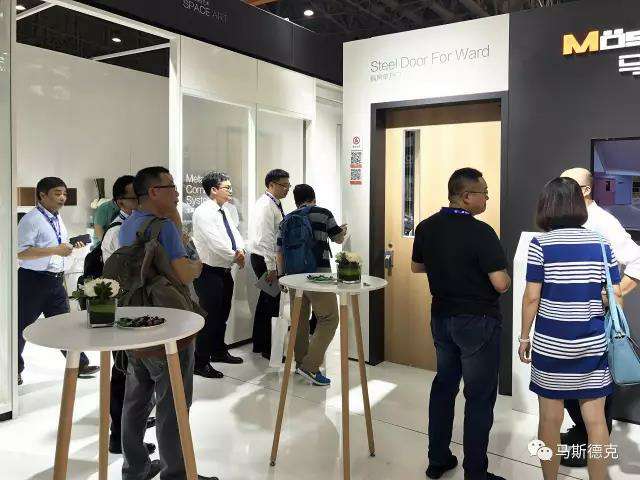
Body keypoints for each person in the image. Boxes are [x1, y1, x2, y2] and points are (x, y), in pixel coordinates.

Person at [519, 177, 621, 480]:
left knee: (549, 421)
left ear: (546, 206)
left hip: (551, 345)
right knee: (596, 423)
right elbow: (614, 297)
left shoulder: (541, 244)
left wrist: (524, 337)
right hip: (592, 344)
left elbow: (532, 297)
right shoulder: (601, 244)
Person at [411, 168, 510, 480]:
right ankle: (476, 473)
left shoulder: (426, 226)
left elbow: (416, 266)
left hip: (442, 318)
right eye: (484, 193)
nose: (487, 198)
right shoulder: (481, 232)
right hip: (478, 322)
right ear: (467, 196)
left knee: (444, 386)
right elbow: (500, 283)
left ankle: (437, 459)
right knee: (479, 397)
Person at [118, 167, 214, 480]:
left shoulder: (129, 224)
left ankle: (135, 468)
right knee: (174, 403)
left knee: (136, 400)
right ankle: (177, 473)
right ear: (153, 192)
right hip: (169, 325)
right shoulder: (165, 228)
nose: (177, 192)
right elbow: (183, 274)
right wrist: (196, 266)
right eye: (170, 186)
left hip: (135, 322)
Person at [558, 167, 640, 467]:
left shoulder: (604, 222)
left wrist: (612, 297)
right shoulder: (569, 220)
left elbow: (638, 260)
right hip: (570, 317)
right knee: (572, 382)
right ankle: (582, 434)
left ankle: (592, 445)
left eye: (567, 185)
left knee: (594, 384)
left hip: (595, 318)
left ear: (585, 190)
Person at [17, 177, 100, 385]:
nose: (62, 197)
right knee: (20, 328)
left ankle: (79, 364)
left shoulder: (57, 218)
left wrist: (69, 247)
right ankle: (12, 371)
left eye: (64, 193)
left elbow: (57, 247)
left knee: (65, 325)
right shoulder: (31, 219)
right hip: (32, 281)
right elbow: (21, 253)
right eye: (57, 193)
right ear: (42, 195)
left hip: (55, 281)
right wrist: (56, 250)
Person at [276, 184, 347, 386]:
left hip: (293, 278)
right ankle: (310, 366)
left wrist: (282, 276)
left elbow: (279, 252)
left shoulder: (286, 220)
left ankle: (301, 364)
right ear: (313, 198)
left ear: (296, 200)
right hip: (318, 276)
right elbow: (338, 239)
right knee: (329, 318)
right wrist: (342, 230)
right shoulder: (323, 214)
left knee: (299, 320)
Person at [192, 171, 246, 379]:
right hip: (208, 271)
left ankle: (218, 351)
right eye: (227, 187)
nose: (230, 191)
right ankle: (200, 362)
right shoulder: (203, 212)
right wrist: (235, 256)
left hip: (224, 271)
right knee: (210, 317)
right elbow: (215, 242)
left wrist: (240, 251)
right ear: (213, 190)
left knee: (222, 314)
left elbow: (235, 234)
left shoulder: (225, 210)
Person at [249, 168, 290, 359]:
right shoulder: (266, 205)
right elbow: (266, 238)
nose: (287, 189)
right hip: (265, 259)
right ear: (271, 185)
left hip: (268, 259)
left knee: (267, 301)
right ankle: (268, 348)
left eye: (288, 185)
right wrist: (271, 267)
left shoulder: (274, 203)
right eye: (283, 185)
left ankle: (260, 344)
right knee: (271, 303)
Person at [101, 175, 138, 263]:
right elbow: (129, 266)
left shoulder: (136, 223)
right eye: (135, 198)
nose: (141, 202)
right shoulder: (118, 231)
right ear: (120, 203)